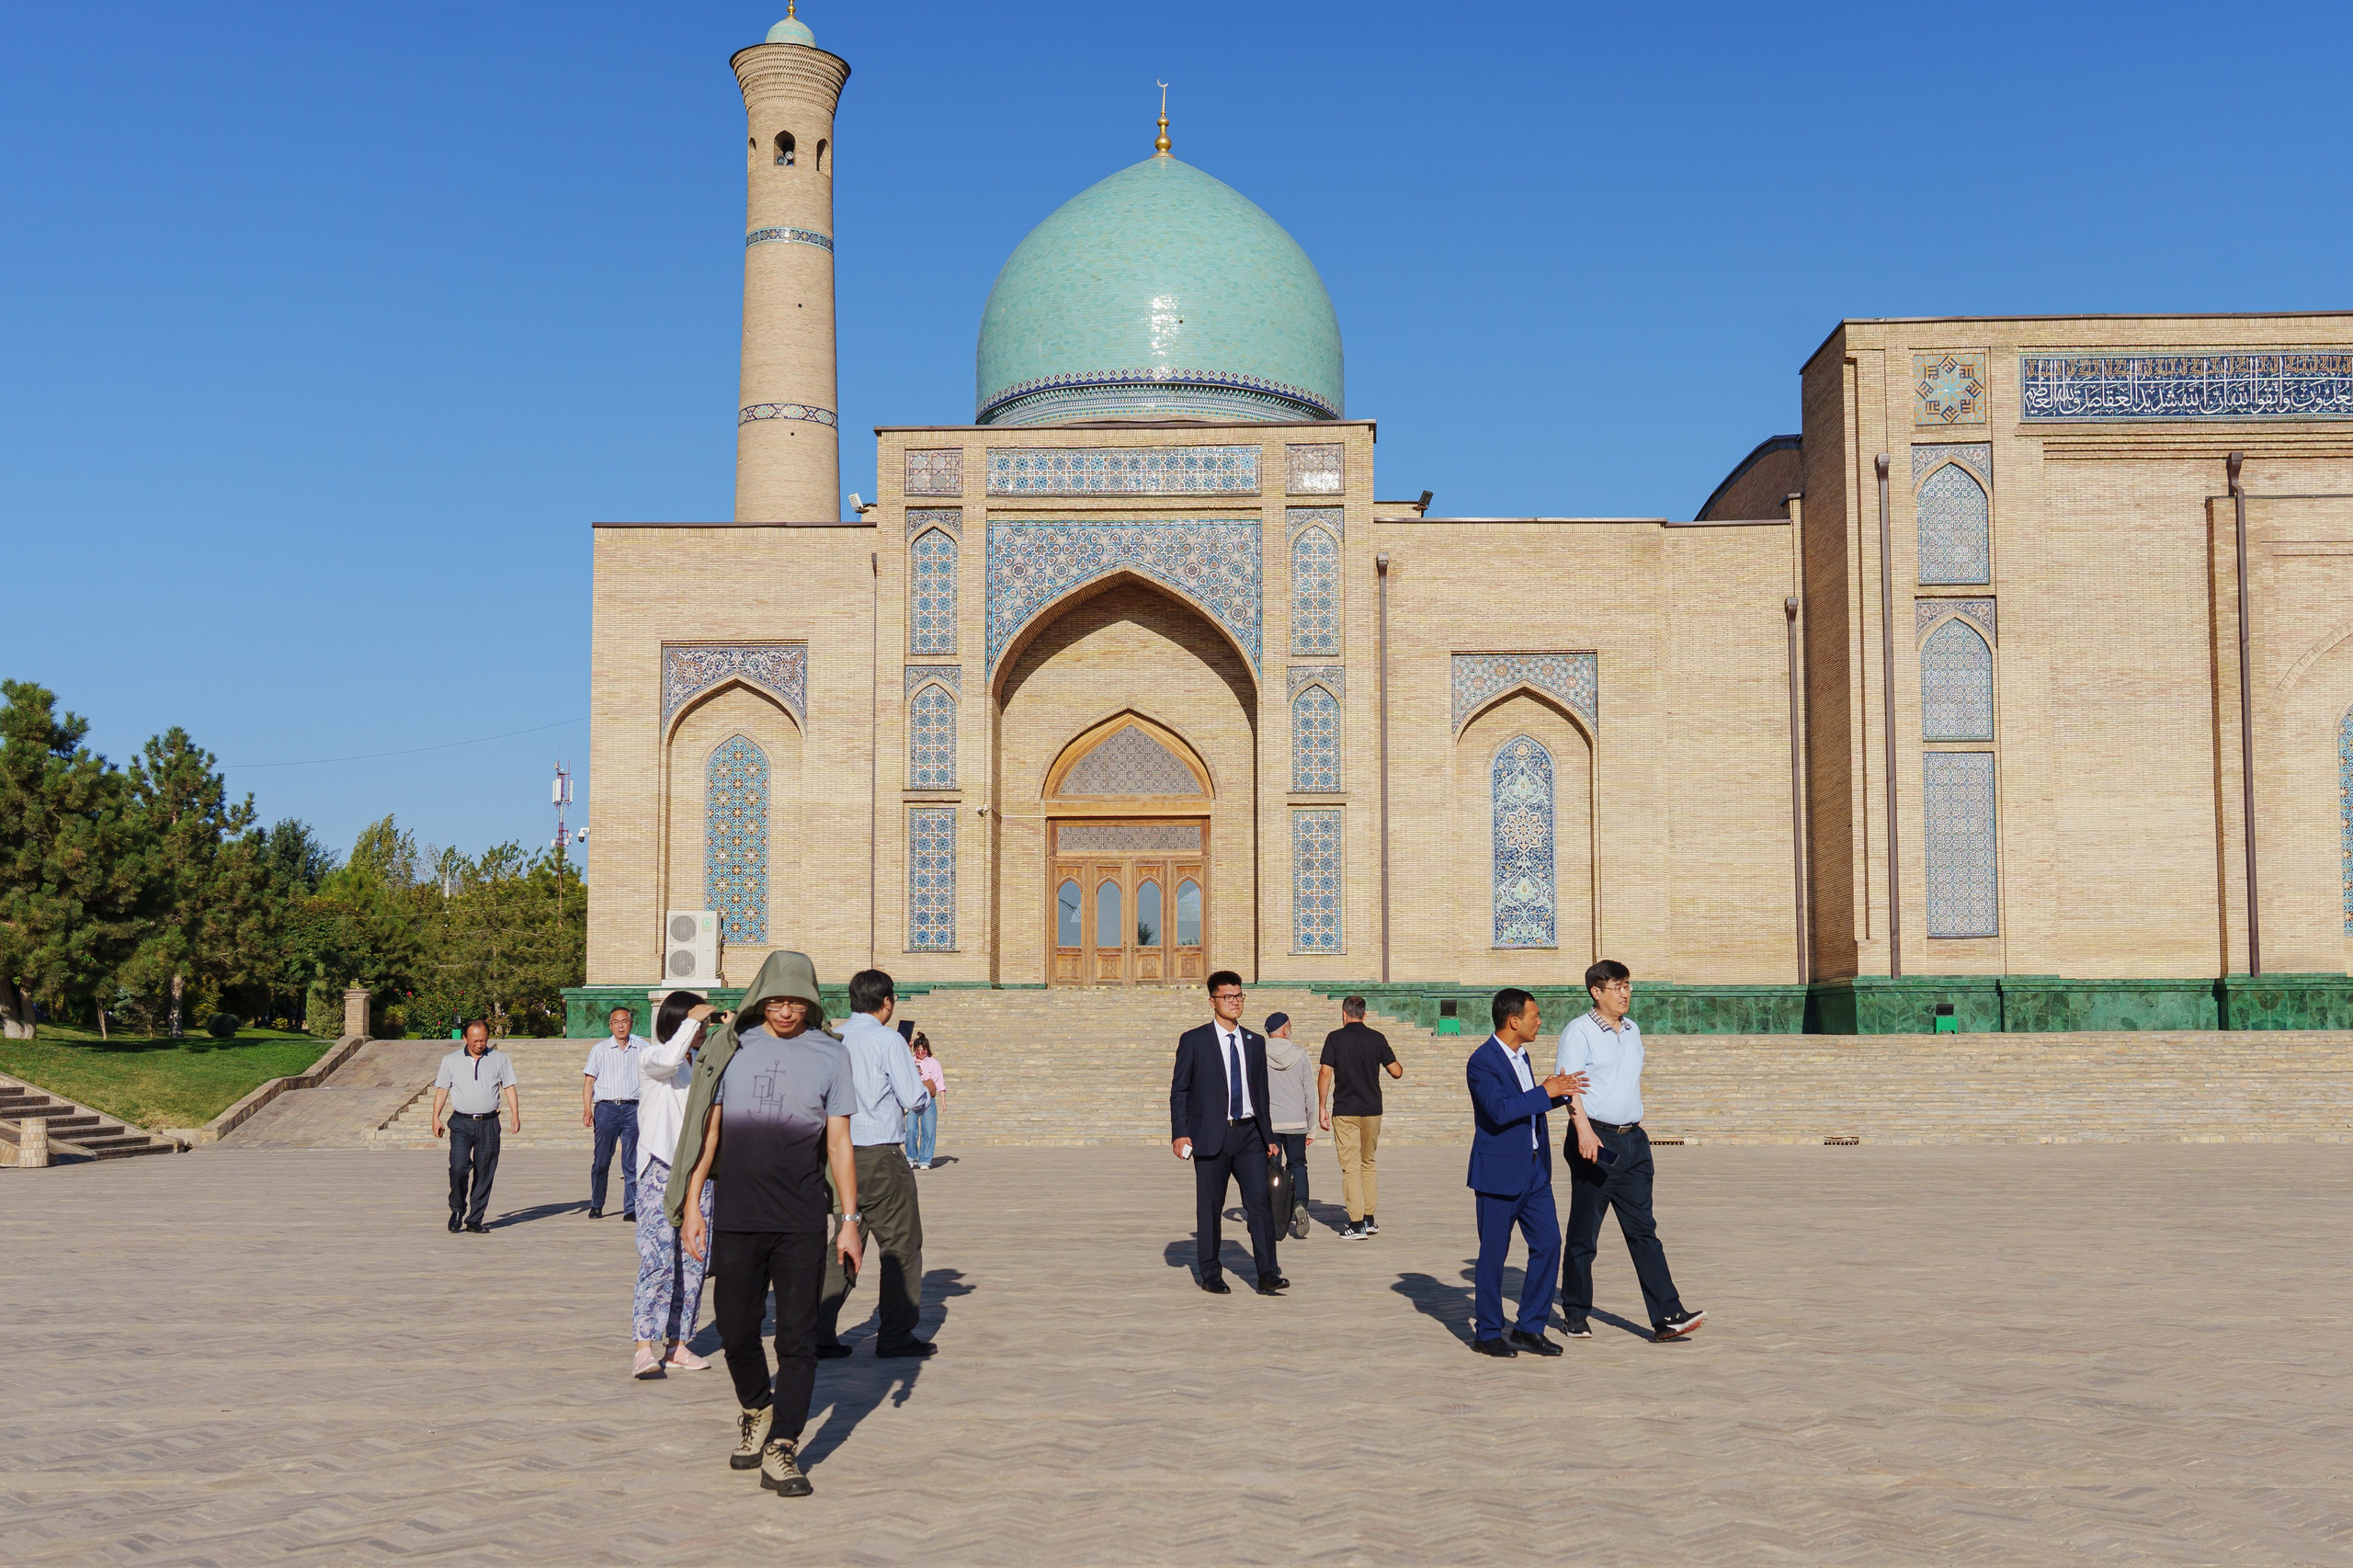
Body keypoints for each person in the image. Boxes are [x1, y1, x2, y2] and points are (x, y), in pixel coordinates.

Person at [674, 950, 862, 1499]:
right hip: (738, 1213)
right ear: (761, 999)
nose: (786, 1011)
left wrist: (848, 1221)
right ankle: (757, 1406)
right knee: (735, 1329)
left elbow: (839, 1142)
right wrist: (691, 1204)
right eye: (776, 1000)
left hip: (801, 1216)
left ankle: (783, 1446)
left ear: (811, 1002)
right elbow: (707, 1135)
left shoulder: (832, 1054)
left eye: (796, 1001)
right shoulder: (731, 1047)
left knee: (798, 1337)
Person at [1557, 959, 1705, 1343]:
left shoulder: (1633, 1029)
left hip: (1634, 1141)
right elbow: (1568, 1086)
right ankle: (1575, 1312)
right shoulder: (1579, 1032)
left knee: (1644, 1232)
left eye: (1628, 986)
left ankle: (1667, 1315)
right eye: (1617, 986)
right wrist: (1585, 1132)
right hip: (1595, 1140)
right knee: (1585, 1233)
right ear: (1596, 991)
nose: (1625, 993)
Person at [814, 970, 936, 1360]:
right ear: (887, 1002)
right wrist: (929, 1089)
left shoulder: (832, 1037)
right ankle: (896, 1333)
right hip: (879, 1155)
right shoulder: (888, 1041)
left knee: (845, 1239)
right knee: (901, 1243)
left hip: (836, 1154)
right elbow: (913, 1098)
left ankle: (817, 1331)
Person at [1465, 988, 1586, 1358]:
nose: (1540, 1021)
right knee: (1493, 1256)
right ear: (1513, 1020)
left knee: (1549, 1244)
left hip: (1534, 1173)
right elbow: (1500, 1111)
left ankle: (1529, 1326)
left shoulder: (1522, 1055)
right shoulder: (1482, 1061)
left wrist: (1558, 1093)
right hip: (1498, 1175)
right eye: (1535, 1015)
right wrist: (1544, 1091)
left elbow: (1524, 1107)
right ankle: (1487, 1332)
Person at [1169, 971, 1285, 1295]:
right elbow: (1180, 1091)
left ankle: (1267, 1273)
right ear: (1212, 1001)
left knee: (1260, 1204)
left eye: (1239, 996)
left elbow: (1260, 1094)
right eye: (1227, 997)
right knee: (1209, 1207)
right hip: (1210, 1136)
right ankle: (1210, 1272)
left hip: (1249, 1134)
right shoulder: (1194, 1041)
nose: (1234, 1002)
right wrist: (1181, 1133)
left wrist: (1270, 1138)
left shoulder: (1255, 1042)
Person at [631, 990, 720, 1379]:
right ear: (680, 1022)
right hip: (659, 1170)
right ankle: (643, 1346)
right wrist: (692, 1019)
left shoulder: (700, 1062)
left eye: (702, 1025)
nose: (700, 1031)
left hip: (698, 1173)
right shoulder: (651, 1058)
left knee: (693, 1259)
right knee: (657, 1258)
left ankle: (678, 1344)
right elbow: (670, 1058)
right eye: (696, 1024)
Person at [1318, 995, 1400, 1239]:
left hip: (1345, 1111)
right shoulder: (1377, 1038)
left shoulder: (1335, 1038)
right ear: (1365, 1015)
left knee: (1350, 1168)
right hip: (1372, 1110)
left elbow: (1325, 1072)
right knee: (1368, 1163)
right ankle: (1370, 1219)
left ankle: (1356, 1225)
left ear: (1344, 1014)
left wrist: (1322, 1106)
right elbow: (1396, 1071)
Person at [430, 1020, 519, 1233]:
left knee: (485, 1171)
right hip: (461, 1123)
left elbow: (509, 1087)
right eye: (475, 1040)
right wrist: (436, 1117)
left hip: (489, 1123)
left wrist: (515, 1115)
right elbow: (442, 1089)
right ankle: (458, 1209)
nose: (479, 1044)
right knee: (458, 1167)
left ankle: (475, 1218)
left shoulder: (500, 1059)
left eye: (483, 1040)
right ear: (464, 1038)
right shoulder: (450, 1061)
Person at [582, 1005, 643, 1220]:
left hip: (632, 1109)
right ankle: (597, 1204)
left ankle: (631, 1208)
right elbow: (589, 1081)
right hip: (606, 1109)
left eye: (624, 1021)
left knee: (632, 1161)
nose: (620, 1026)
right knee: (601, 1160)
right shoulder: (599, 1050)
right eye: (616, 1022)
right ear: (610, 1025)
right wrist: (587, 1109)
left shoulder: (641, 1047)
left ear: (631, 1023)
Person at [1262, 1011, 1315, 1241]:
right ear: (1284, 1030)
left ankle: (1274, 1211)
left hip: (1270, 1123)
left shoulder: (1259, 1054)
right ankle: (1300, 1204)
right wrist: (1311, 1126)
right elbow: (1309, 1093)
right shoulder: (1300, 1055)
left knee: (1272, 1167)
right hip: (1296, 1122)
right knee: (1297, 1165)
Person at [904, 1031, 942, 1170]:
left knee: (928, 1130)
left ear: (927, 1049)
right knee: (911, 1129)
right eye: (918, 1050)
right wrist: (907, 1047)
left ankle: (925, 1160)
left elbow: (938, 1081)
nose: (920, 1052)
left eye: (923, 1049)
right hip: (913, 1098)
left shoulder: (933, 1063)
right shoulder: (911, 1060)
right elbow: (903, 1061)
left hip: (928, 1099)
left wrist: (943, 1099)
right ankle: (911, 1156)